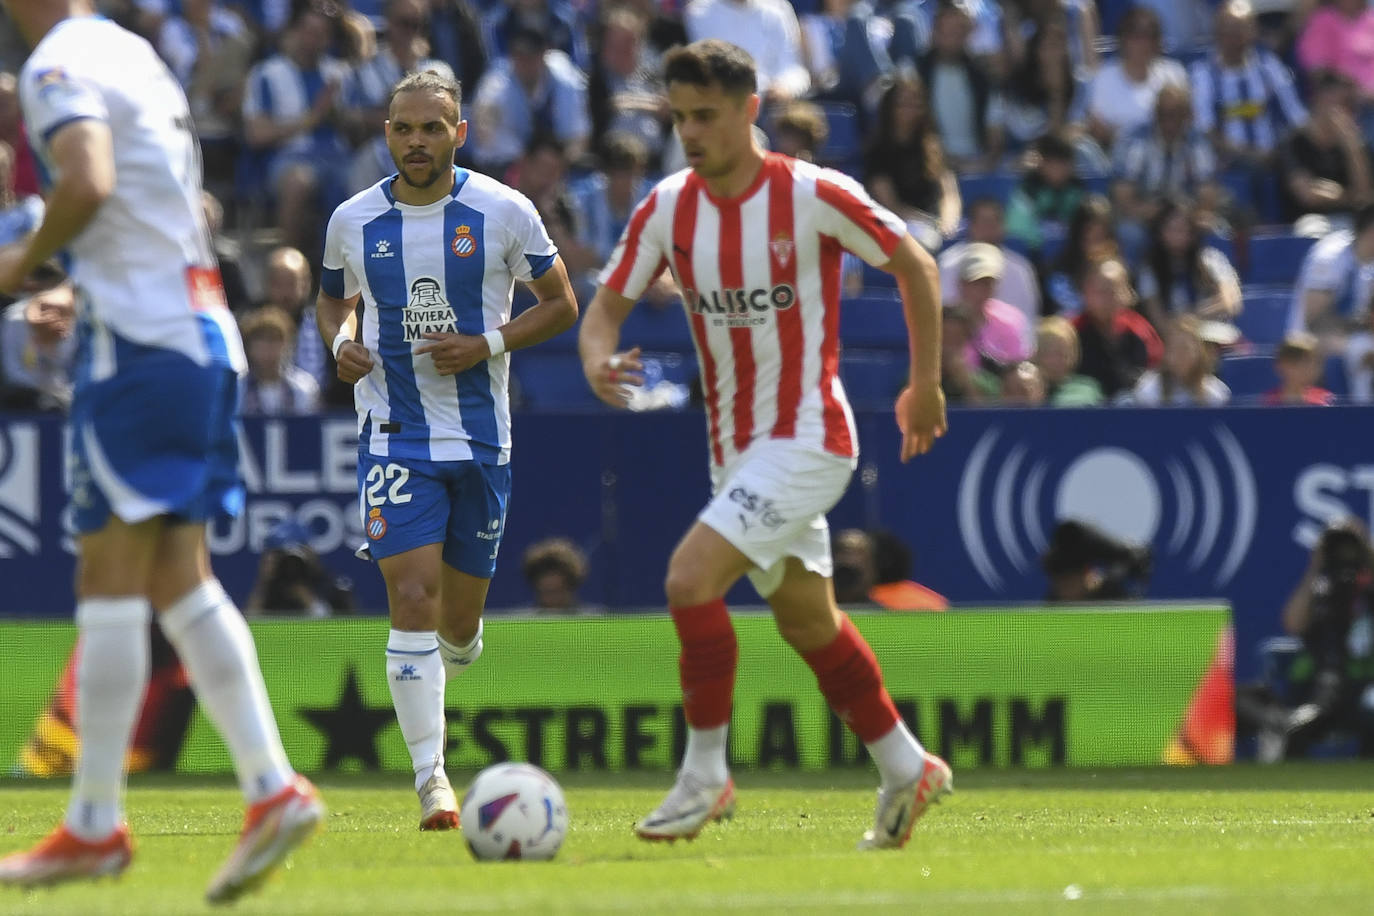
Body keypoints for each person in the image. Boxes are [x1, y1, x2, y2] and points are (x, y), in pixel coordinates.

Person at [578, 39, 951, 850]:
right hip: (736, 452)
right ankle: (905, 764)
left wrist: (925, 383)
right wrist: (597, 358)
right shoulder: (669, 205)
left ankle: (705, 775)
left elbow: (916, 265)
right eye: (679, 117)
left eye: (705, 116)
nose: (690, 132)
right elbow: (604, 308)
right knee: (808, 622)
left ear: (751, 110)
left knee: (689, 579)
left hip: (811, 437)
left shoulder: (812, 193)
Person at [0, 0, 323, 902]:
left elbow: (89, 182)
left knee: (110, 583)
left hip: (139, 346)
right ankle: (258, 789)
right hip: (196, 330)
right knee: (177, 579)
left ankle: (102, 825)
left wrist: (16, 267)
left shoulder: (57, 61)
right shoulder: (129, 50)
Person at [315, 70, 578, 831]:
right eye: (404, 128)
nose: (417, 141)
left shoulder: (503, 210)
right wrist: (342, 340)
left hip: (483, 439)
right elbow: (332, 295)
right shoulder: (353, 219)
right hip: (395, 435)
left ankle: (445, 663)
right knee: (414, 599)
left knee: (457, 628)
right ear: (387, 134)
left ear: (459, 133)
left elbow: (561, 303)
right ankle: (433, 780)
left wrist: (487, 342)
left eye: (433, 128)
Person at [1239, 518, 1374, 760]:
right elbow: (1293, 623)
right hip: (1319, 686)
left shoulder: (1368, 588)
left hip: (1363, 685)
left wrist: (1368, 559)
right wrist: (1316, 566)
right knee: (1255, 707)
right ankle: (1282, 758)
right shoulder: (1320, 586)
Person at [1126, 315, 1231, 406]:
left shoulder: (1216, 393)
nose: (1180, 355)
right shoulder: (1148, 390)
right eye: (1175, 348)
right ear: (1166, 353)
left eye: (1186, 349)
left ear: (1199, 353)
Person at [1041, 519, 1153, 601]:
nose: (1064, 590)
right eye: (1059, 582)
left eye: (1068, 582)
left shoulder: (1112, 600)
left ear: (1086, 573)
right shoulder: (1052, 606)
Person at [1033, 315, 1103, 405]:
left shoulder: (1089, 390)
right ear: (1036, 354)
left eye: (1064, 353)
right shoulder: (1024, 391)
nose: (1058, 360)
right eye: (1050, 353)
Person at [520, 536, 599, 614]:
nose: (553, 600)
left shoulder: (597, 621)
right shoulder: (520, 623)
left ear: (571, 587)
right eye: (547, 592)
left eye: (558, 591)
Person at [1268, 331, 1336, 405]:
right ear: (1281, 365)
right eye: (1300, 364)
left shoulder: (1326, 400)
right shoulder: (1269, 401)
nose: (1310, 369)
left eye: (1315, 363)